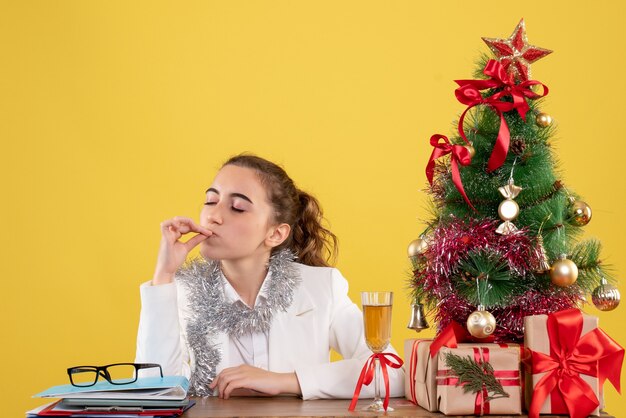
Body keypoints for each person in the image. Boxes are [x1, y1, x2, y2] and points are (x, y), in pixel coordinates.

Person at [135, 154, 405, 400]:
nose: (213, 216)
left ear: (275, 234)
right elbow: (152, 391)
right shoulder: (180, 292)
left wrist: (287, 381)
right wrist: (164, 274)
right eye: (210, 200)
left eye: (237, 207)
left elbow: (390, 372)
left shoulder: (321, 288)